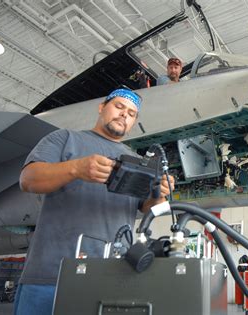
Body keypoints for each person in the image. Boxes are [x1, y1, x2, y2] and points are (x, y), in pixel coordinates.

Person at [14, 88, 174, 315]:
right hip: (51, 276)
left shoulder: (138, 162)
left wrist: (159, 193)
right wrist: (76, 168)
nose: (124, 115)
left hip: (112, 277)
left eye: (131, 113)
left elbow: (149, 209)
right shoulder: (65, 139)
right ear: (102, 107)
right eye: (118, 106)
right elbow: (27, 180)